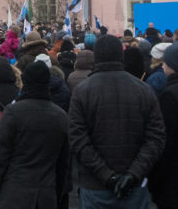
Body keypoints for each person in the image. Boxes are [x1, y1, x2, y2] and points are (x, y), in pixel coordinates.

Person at [69, 35, 165, 209]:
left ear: (96, 57)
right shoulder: (143, 90)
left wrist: (107, 176)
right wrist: (133, 174)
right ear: (121, 56)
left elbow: (78, 140)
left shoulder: (82, 91)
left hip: (96, 187)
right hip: (133, 187)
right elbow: (156, 138)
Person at [0, 61, 69, 209]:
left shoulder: (12, 113)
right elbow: (63, 165)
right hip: (46, 195)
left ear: (25, 81)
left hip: (13, 194)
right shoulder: (60, 116)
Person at [149, 44, 178, 208]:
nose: (163, 65)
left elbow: (164, 139)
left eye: (166, 63)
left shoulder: (169, 95)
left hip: (172, 175)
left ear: (173, 66)